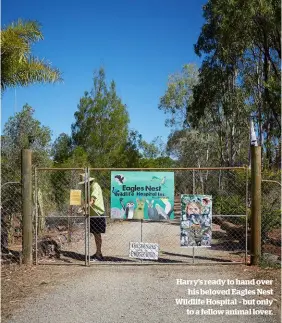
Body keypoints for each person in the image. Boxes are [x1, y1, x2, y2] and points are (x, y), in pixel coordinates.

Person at [78, 174, 106, 261]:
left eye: (84, 183)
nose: (83, 185)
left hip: (97, 214)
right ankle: (98, 253)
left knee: (97, 234)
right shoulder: (88, 188)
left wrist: (83, 207)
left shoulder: (95, 186)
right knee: (95, 234)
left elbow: (92, 201)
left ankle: (99, 254)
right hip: (92, 214)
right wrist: (85, 210)